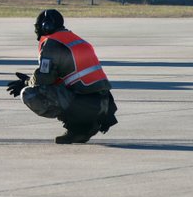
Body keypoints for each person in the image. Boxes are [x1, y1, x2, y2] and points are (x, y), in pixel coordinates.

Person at [6, 9, 118, 144]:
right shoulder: (75, 40)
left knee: (29, 94)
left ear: (45, 26)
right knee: (55, 88)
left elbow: (44, 79)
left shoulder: (52, 43)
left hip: (87, 104)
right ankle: (83, 128)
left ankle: (78, 128)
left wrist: (25, 83)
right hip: (104, 102)